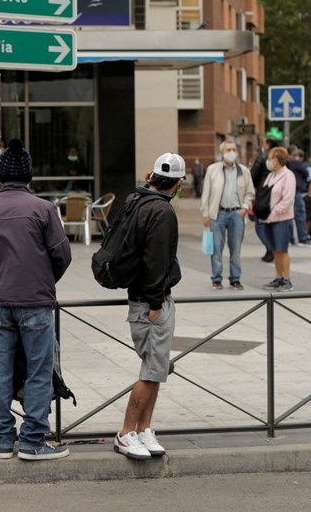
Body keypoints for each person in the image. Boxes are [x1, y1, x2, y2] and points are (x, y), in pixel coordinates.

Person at [0, 138, 72, 461]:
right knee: (39, 371)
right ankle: (32, 439)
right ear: (29, 176)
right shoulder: (43, 209)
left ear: (1, 176)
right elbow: (62, 255)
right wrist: (43, 280)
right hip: (36, 302)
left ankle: (1, 438)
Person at [114, 153, 183, 461]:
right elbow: (156, 260)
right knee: (151, 371)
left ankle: (145, 429)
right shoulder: (162, 212)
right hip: (150, 302)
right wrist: (156, 303)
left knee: (156, 371)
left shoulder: (137, 200)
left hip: (140, 297)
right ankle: (127, 432)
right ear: (178, 183)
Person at [201, 141, 254, 290]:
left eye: (234, 149)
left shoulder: (244, 171)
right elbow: (206, 193)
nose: (231, 152)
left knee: (235, 249)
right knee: (216, 248)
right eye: (228, 149)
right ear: (222, 153)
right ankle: (216, 278)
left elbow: (250, 192)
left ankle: (235, 279)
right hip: (218, 214)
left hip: (237, 214)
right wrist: (206, 214)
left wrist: (244, 208)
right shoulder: (213, 170)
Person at [257, 147, 295, 290]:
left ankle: (287, 279)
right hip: (268, 219)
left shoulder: (287, 175)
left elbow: (288, 200)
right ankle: (278, 277)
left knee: (282, 249)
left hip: (281, 219)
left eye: (270, 158)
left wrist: (274, 212)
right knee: (274, 250)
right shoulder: (271, 175)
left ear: (278, 160)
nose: (268, 161)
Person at [250, 138, 278, 263]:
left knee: (260, 225)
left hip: (264, 195)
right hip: (278, 195)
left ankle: (270, 248)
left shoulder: (262, 157)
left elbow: (253, 175)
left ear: (267, 145)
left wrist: (254, 191)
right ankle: (270, 250)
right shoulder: (281, 157)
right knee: (272, 224)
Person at [286, 146, 311, 246]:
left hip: (286, 191)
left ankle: (289, 238)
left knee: (288, 215)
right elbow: (306, 173)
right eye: (295, 155)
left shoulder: (283, 164)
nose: (296, 157)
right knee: (300, 215)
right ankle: (302, 238)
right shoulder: (296, 163)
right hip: (296, 191)